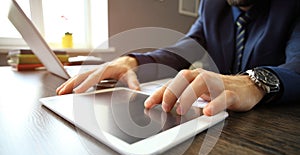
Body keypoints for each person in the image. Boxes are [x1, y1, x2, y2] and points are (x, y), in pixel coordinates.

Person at [56, 0, 300, 116]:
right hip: (217, 121)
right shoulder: (212, 6)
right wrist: (133, 61)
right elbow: (184, 50)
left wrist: (253, 82)